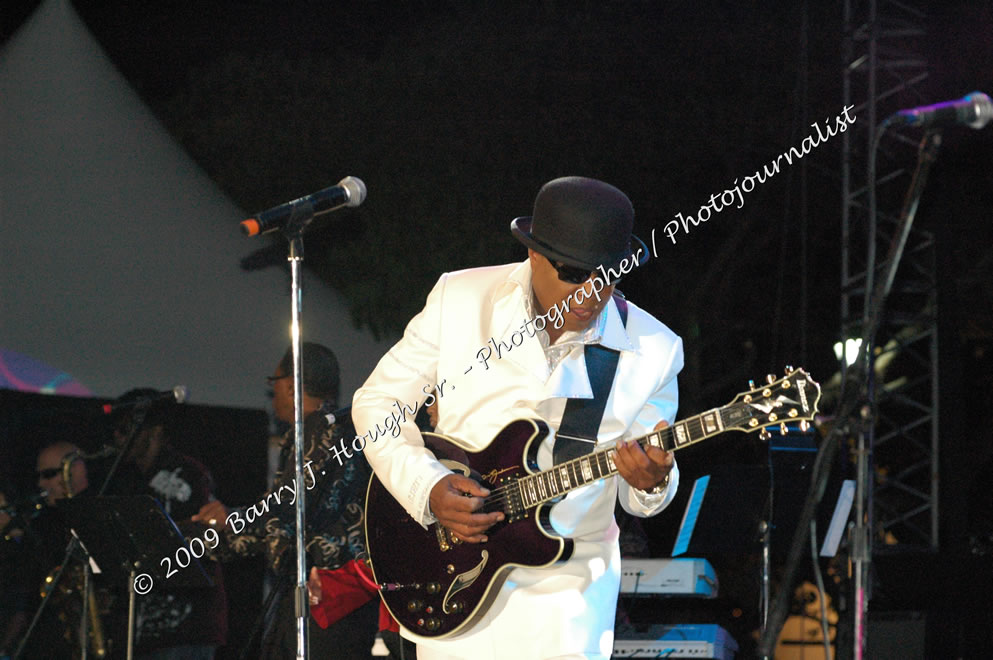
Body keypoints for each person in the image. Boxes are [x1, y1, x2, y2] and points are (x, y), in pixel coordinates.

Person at [352, 176, 683, 660]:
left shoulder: (655, 349)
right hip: (453, 578)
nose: (592, 292)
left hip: (567, 603)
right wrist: (427, 487)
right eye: (573, 273)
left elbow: (641, 496)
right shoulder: (460, 298)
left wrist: (653, 481)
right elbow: (378, 403)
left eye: (608, 275)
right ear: (533, 254)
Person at [193, 342, 379, 659]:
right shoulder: (335, 431)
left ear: (291, 385)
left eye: (274, 382)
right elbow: (280, 525)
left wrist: (228, 520)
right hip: (332, 603)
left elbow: (292, 514)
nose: (272, 391)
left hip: (327, 603)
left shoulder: (316, 429)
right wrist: (213, 541)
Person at [109, 389, 228, 660]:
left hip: (185, 628)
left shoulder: (187, 473)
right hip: (149, 632)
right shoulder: (131, 480)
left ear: (155, 432)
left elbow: (203, 534)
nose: (117, 437)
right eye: (115, 430)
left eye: (125, 429)